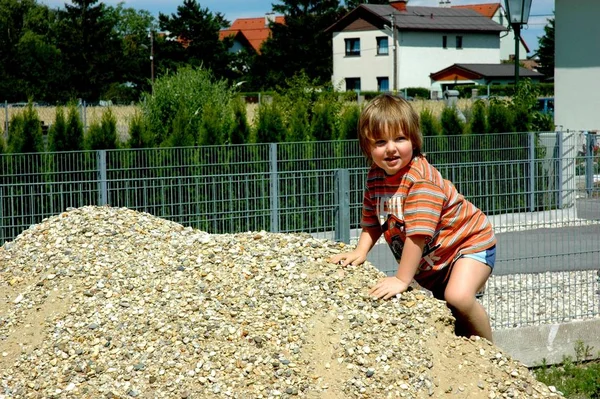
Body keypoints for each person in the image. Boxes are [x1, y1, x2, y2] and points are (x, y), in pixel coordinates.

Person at [330, 94, 497, 342]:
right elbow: (373, 220)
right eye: (380, 142)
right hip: (435, 261)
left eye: (400, 138)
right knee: (451, 313)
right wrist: (360, 251)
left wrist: (401, 279)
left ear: (414, 140)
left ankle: (491, 355)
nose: (390, 148)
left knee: (458, 297)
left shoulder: (420, 182)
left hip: (468, 244)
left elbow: (417, 236)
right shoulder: (376, 176)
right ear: (367, 147)